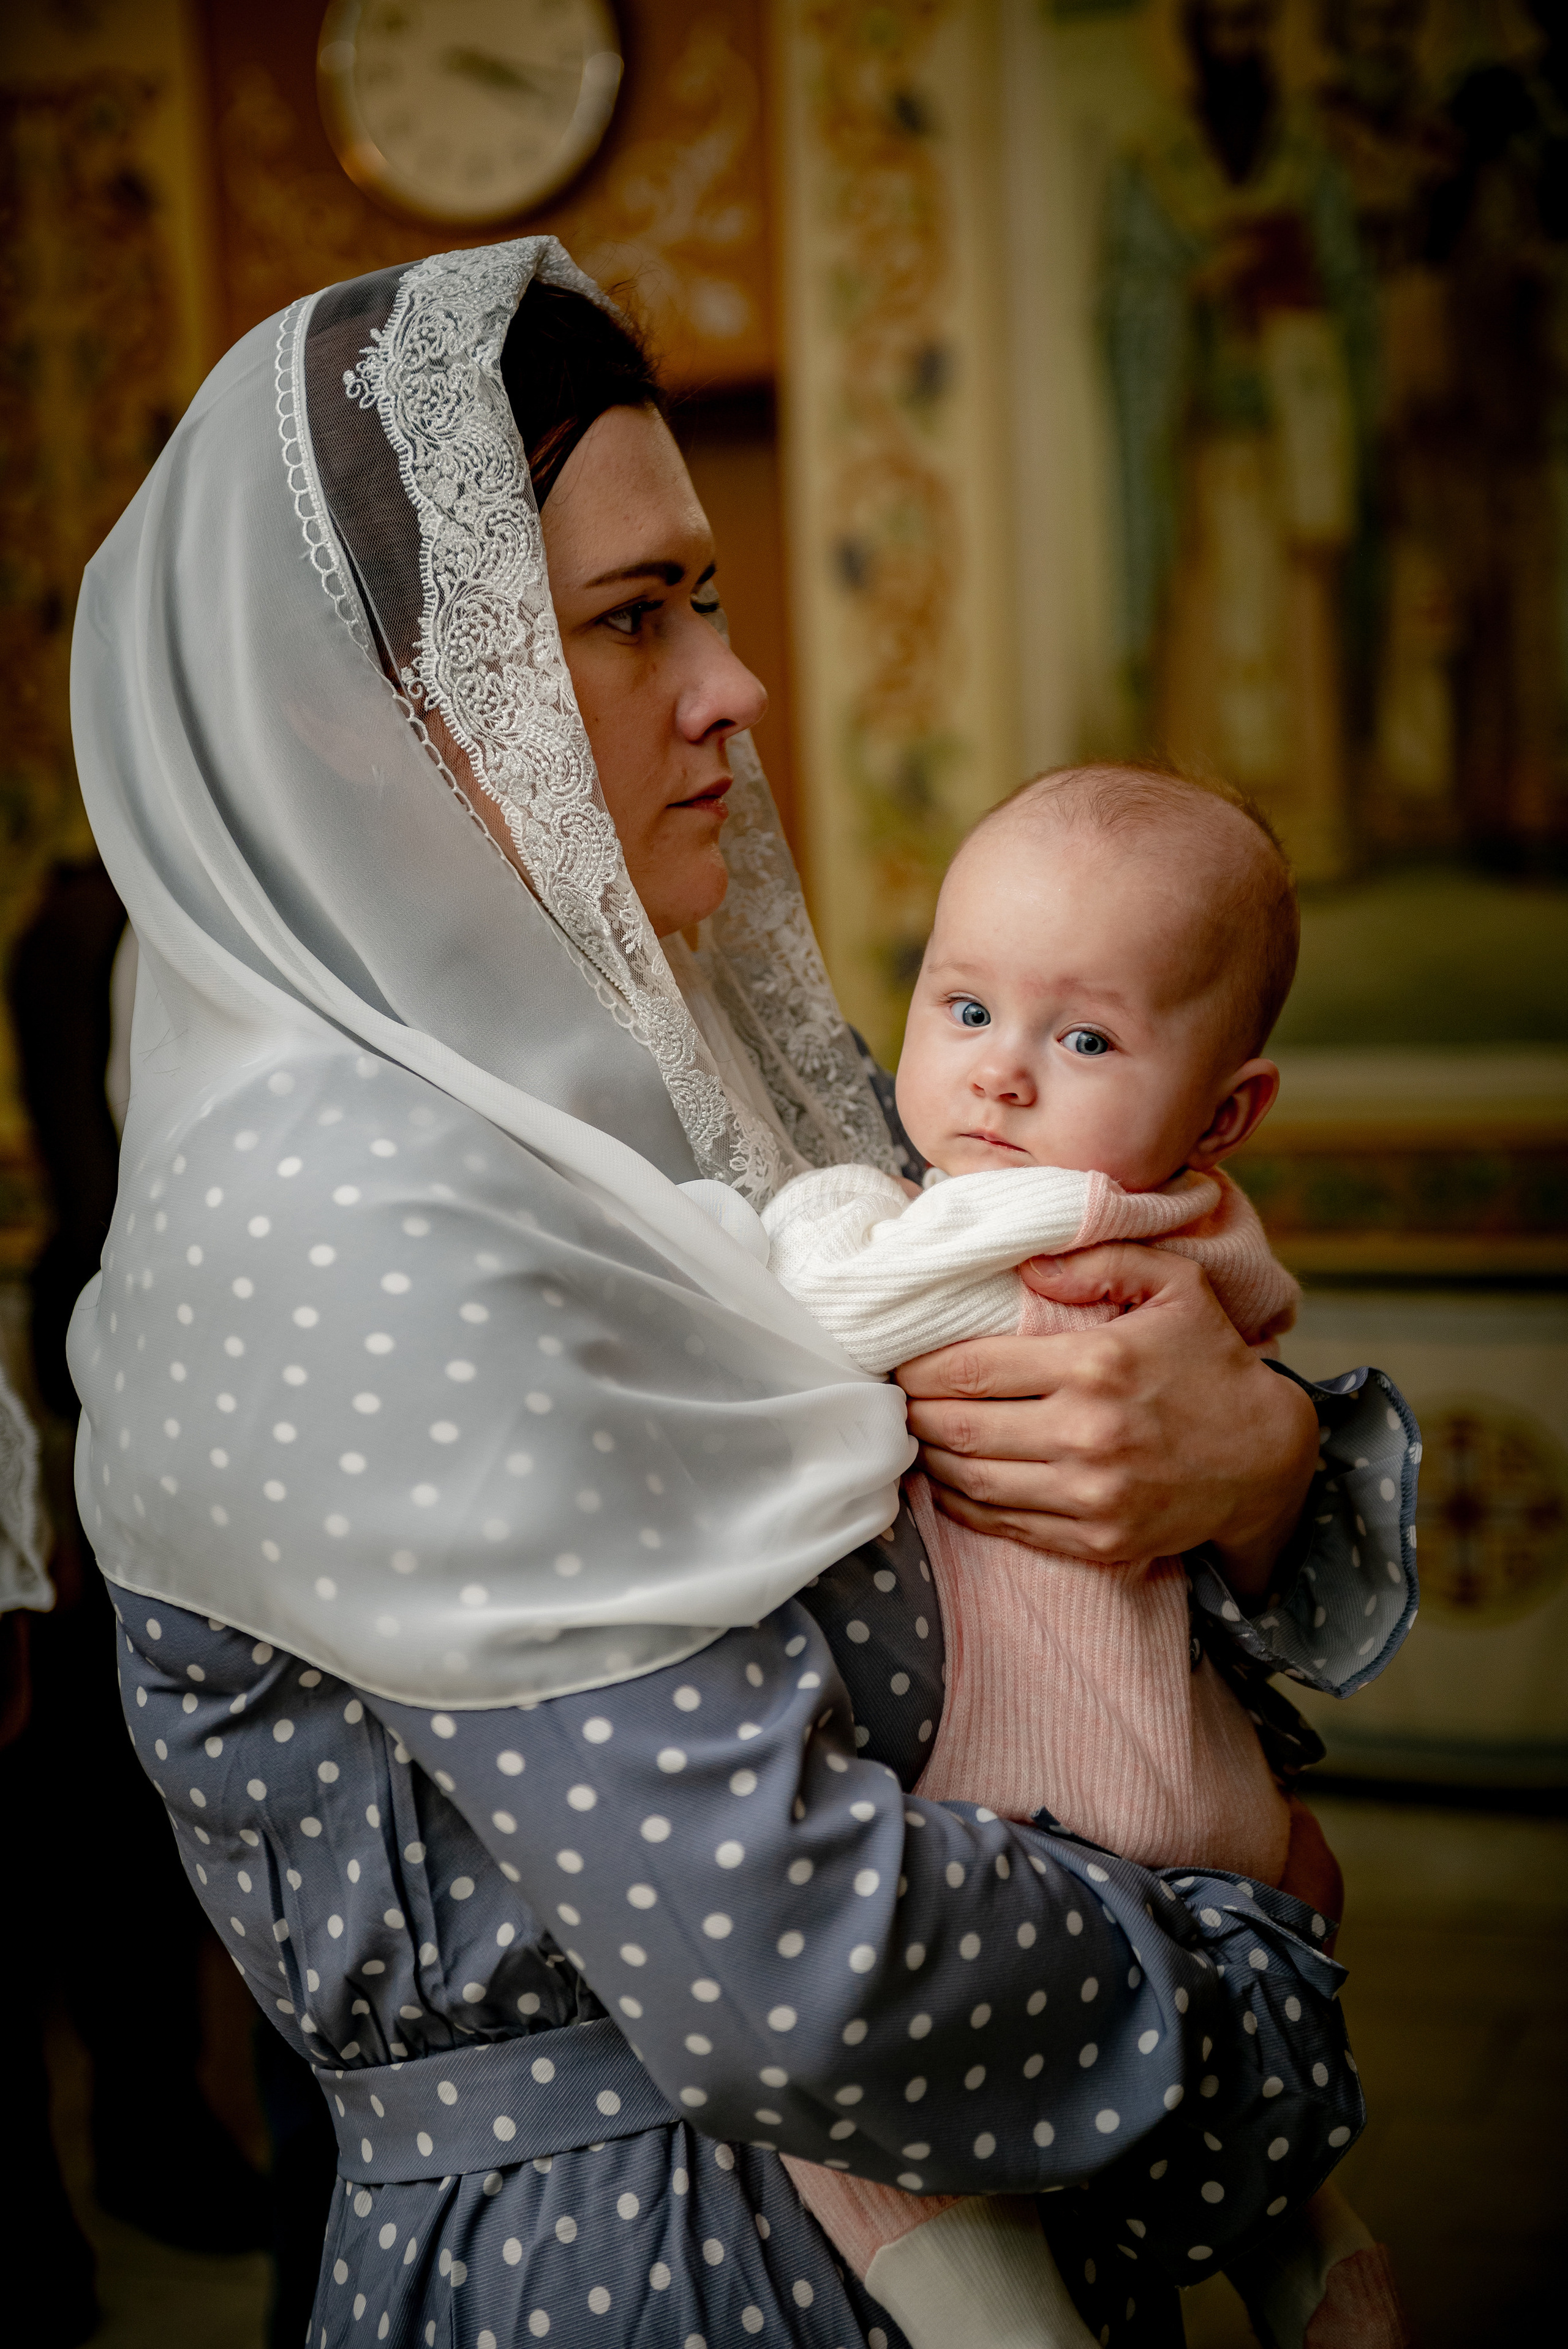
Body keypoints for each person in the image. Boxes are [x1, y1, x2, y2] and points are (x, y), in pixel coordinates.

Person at [66, 237, 1417, 2347]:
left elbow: (1062, 1444)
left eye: (700, 590)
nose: (737, 683)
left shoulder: (707, 1085)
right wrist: (1255, 1986)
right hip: (663, 2275)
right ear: (367, 724)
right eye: (629, 616)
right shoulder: (340, 1217)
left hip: (979, 2179)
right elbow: (796, 1966)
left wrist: (1245, 1460)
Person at [762, 766, 1411, 2347]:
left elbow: (840, 1311)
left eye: (1086, 1040)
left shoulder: (1047, 1218)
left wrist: (799, 1218)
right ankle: (1315, 2252)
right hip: (1198, 1798)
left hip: (1061, 1778)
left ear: (1227, 1107)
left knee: (859, 2122)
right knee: (1212, 2068)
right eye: (963, 1005)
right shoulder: (1194, 1218)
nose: (999, 1080)